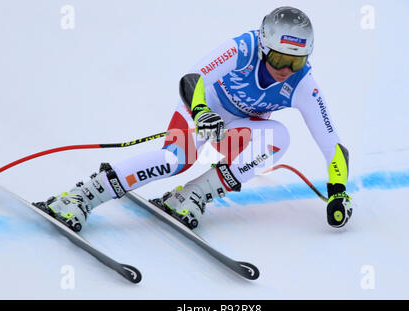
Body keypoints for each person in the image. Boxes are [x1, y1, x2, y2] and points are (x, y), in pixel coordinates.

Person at [35, 6, 353, 232]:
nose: (285, 70)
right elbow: (193, 78)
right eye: (279, 58)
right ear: (263, 46)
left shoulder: (303, 84)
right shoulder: (243, 48)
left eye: (295, 63)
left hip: (237, 131)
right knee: (175, 159)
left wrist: (338, 191)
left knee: (279, 138)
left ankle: (192, 195)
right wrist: (201, 112)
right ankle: (82, 196)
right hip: (202, 109)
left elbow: (333, 147)